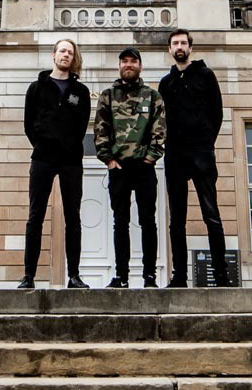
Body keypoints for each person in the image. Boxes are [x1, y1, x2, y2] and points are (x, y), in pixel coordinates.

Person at [159, 28, 230, 288]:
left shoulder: (206, 75)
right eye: (175, 43)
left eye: (183, 43)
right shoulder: (165, 83)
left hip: (201, 153)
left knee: (211, 215)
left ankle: (221, 276)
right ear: (170, 49)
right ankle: (179, 276)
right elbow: (161, 120)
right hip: (175, 155)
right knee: (177, 220)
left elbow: (217, 113)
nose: (180, 47)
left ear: (190, 47)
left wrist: (206, 142)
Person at [19, 37, 91, 289]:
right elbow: (29, 124)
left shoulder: (80, 92)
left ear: (73, 58)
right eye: (62, 51)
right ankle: (29, 276)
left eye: (70, 53)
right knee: (35, 216)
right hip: (43, 158)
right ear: (54, 55)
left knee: (73, 217)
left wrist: (69, 145)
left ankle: (73, 275)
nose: (66, 55)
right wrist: (41, 144)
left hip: (71, 160)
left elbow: (82, 125)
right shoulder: (36, 88)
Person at [94, 45, 166, 288]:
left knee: (148, 222)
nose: (128, 65)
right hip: (119, 169)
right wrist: (108, 159)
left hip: (144, 168)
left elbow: (160, 130)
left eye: (133, 61)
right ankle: (121, 276)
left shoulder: (152, 96)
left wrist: (150, 157)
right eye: (124, 61)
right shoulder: (108, 95)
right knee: (120, 222)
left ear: (140, 66)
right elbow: (101, 129)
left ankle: (149, 277)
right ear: (119, 66)